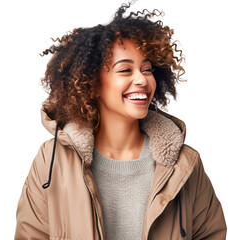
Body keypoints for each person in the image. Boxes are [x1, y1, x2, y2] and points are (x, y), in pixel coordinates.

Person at [15, 2, 226, 239]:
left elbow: (211, 234)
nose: (142, 80)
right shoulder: (52, 162)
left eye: (147, 69)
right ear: (92, 84)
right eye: (125, 70)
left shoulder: (185, 165)